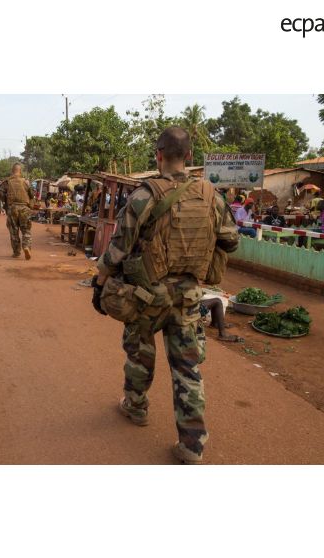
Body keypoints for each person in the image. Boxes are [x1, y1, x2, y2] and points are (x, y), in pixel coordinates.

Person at [92, 126, 239, 464]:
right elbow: (231, 241)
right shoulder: (211, 195)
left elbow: (117, 249)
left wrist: (100, 285)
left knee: (139, 353)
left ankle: (136, 406)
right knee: (187, 368)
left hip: (146, 295)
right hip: (189, 296)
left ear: (158, 155)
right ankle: (192, 445)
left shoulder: (144, 195)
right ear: (189, 156)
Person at [3, 163, 34, 259]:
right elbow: (31, 196)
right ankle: (26, 246)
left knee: (14, 232)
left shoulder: (7, 182)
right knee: (26, 230)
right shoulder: (26, 182)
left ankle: (16, 252)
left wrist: (6, 204)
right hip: (25, 208)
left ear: (12, 171)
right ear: (20, 171)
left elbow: (0, 195)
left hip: (13, 209)